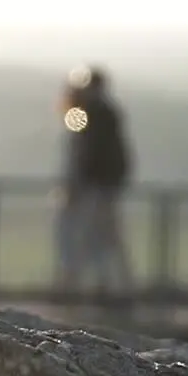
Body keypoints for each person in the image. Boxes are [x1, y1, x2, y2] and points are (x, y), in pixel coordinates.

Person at [53, 63, 135, 297]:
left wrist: (73, 184)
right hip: (103, 186)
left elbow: (78, 151)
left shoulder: (90, 113)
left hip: (93, 186)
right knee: (106, 237)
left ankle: (76, 284)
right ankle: (113, 285)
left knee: (83, 236)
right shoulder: (106, 113)